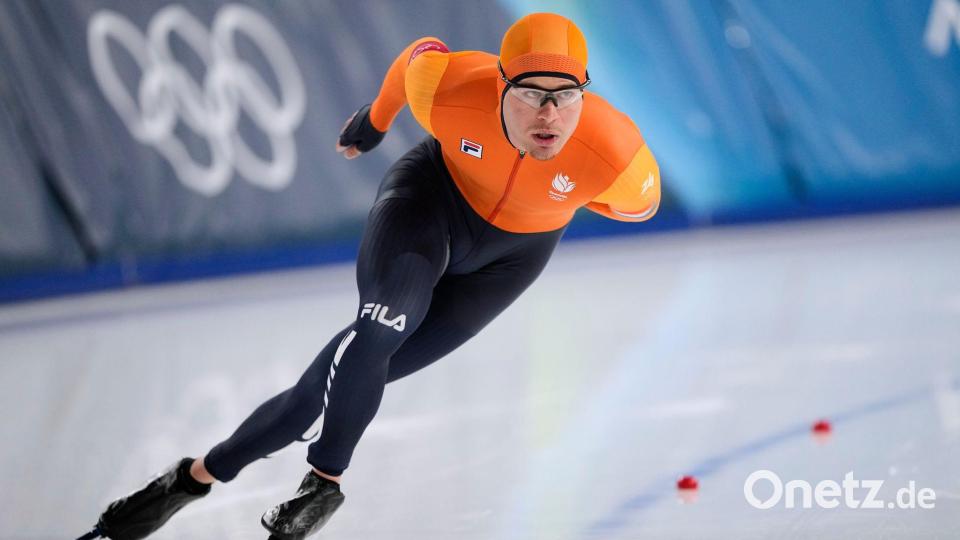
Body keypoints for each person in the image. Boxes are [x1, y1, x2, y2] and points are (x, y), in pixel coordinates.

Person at [80, 12, 660, 540]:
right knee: (379, 330)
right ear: (500, 85)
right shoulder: (455, 88)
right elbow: (416, 58)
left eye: (565, 97)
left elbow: (639, 206)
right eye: (531, 95)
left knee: (322, 386)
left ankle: (189, 480)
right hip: (429, 206)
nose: (548, 115)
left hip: (510, 261)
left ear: (586, 94)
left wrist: (557, 205)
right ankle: (324, 483)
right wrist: (376, 121)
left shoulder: (616, 155)